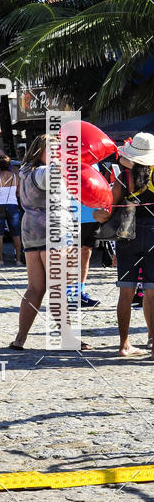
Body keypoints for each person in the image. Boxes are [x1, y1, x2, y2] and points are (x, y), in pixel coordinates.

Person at [10, 134, 86, 351]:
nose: (57, 154)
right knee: (57, 288)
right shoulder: (45, 171)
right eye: (52, 150)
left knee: (35, 288)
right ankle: (68, 338)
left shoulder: (25, 171)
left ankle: (20, 338)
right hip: (53, 231)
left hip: (31, 230)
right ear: (39, 151)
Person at [93, 132, 154, 357]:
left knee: (125, 292)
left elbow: (107, 211)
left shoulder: (123, 178)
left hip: (128, 235)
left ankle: (124, 344)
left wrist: (97, 214)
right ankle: (153, 341)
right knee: (152, 292)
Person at [0, 155, 22, 266]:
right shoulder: (16, 177)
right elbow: (18, 194)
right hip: (13, 205)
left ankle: (0, 260)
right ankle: (18, 260)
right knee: (16, 234)